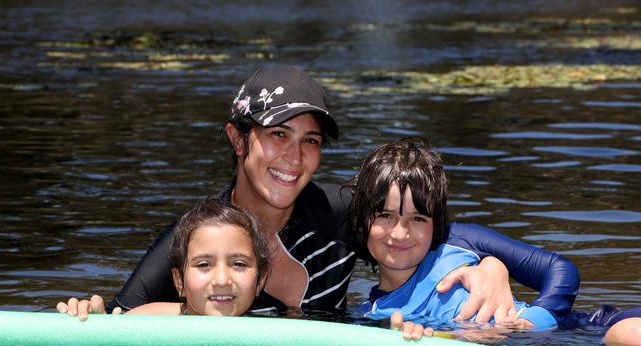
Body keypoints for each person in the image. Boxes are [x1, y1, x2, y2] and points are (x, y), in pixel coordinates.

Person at [57, 65, 578, 322]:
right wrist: (85, 313)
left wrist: (491, 267)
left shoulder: (339, 212)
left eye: (309, 141)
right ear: (238, 139)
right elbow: (117, 326)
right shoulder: (193, 241)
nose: (294, 158)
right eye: (277, 135)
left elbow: (430, 233)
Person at [349, 137, 641, 346]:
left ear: (436, 221)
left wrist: (533, 322)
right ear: (362, 219)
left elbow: (560, 269)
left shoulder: (460, 240)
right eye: (385, 215)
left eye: (418, 219)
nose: (400, 234)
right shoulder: (372, 317)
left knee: (629, 334)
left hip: (583, 329)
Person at [126, 198, 270, 316]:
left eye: (239, 264)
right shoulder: (148, 320)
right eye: (204, 265)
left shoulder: (272, 335)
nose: (222, 280)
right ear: (179, 281)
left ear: (260, 280)